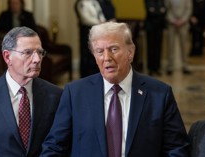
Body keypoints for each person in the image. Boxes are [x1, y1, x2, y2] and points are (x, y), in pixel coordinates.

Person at [40, 21, 190, 157]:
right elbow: (54, 147)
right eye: (99, 51)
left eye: (113, 49)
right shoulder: (75, 93)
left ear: (130, 52)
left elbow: (177, 148)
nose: (107, 57)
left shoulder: (159, 94)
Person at [0, 26, 63, 157]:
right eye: (28, 52)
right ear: (7, 57)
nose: (37, 59)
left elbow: (60, 143)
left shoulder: (56, 95)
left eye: (40, 52)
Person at [74, 0, 106, 78]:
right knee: (87, 56)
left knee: (97, 53)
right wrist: (99, 23)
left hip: (99, 31)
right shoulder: (81, 3)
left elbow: (100, 13)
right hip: (87, 31)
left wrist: (104, 22)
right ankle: (86, 77)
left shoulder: (95, 2)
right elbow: (85, 19)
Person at [165, 0, 192, 75]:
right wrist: (172, 20)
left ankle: (185, 65)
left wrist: (183, 20)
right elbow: (167, 9)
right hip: (171, 24)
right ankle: (170, 66)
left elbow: (188, 9)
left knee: (184, 45)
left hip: (184, 24)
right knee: (170, 45)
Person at [144, 0, 167, 76]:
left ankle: (157, 68)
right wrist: (159, 11)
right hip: (150, 27)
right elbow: (150, 11)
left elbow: (164, 10)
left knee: (158, 48)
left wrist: (157, 10)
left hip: (159, 27)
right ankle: (150, 68)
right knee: (150, 48)